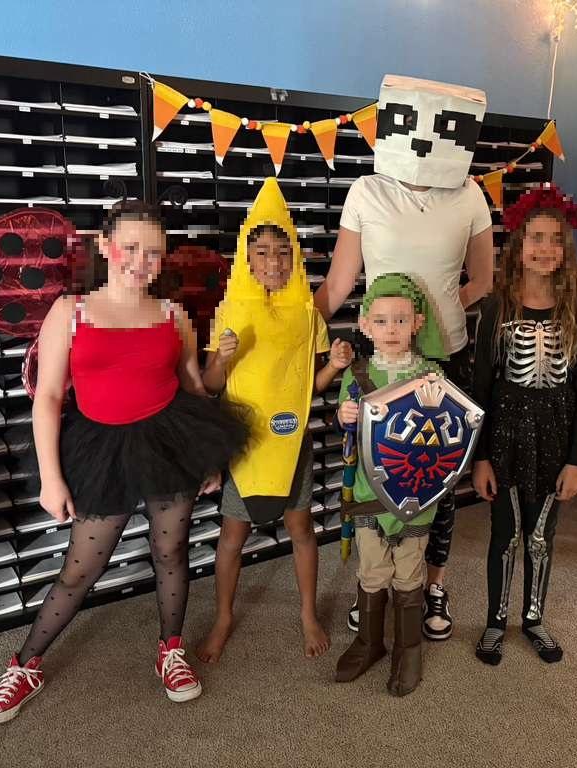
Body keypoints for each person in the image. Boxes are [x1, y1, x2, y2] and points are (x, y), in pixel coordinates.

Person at [0, 202, 249, 726]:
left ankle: (171, 650)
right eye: (131, 248)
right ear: (104, 247)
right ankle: (24, 666)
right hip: (99, 447)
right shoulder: (71, 311)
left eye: (154, 253)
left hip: (169, 442)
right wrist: (50, 479)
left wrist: (208, 457)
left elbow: (194, 389)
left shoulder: (173, 314)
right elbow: (48, 396)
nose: (141, 262)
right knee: (80, 568)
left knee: (170, 551)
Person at [315, 74, 494, 640]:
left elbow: (483, 278)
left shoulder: (470, 193)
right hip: (381, 359)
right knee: (378, 470)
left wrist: (437, 312)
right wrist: (295, 330)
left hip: (446, 357)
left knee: (437, 478)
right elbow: (340, 282)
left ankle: (431, 584)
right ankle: (375, 585)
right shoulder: (366, 191)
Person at [196, 178, 353, 662]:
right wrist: (223, 357)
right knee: (232, 536)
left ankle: (307, 613)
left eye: (283, 253)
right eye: (262, 252)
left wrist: (335, 365)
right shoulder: (230, 309)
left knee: (301, 528)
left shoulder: (307, 314)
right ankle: (224, 616)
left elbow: (311, 388)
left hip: (291, 441)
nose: (274, 262)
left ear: (295, 257)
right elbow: (211, 384)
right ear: (247, 257)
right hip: (244, 445)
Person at [470, 183, 577, 667]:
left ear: (566, 250)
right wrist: (481, 457)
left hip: (555, 436)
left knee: (541, 536)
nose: (545, 249)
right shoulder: (495, 309)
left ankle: (534, 618)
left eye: (555, 240)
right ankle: (495, 620)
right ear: (519, 246)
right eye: (536, 238)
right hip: (505, 435)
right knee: (505, 533)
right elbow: (481, 389)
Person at [333, 272, 446, 696]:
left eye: (400, 320)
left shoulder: (431, 375)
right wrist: (344, 416)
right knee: (372, 571)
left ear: (417, 323)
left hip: (416, 497)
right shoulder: (357, 374)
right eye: (381, 321)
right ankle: (369, 642)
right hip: (369, 494)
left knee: (409, 573)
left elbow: (447, 433)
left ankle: (408, 648)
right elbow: (347, 426)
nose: (391, 329)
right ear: (365, 326)